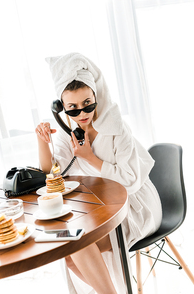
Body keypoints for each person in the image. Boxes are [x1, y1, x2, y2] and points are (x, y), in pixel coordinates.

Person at [35, 53, 162, 294]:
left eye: (88, 104)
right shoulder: (68, 130)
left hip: (135, 205)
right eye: (72, 108)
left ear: (96, 97)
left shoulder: (116, 128)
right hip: (99, 207)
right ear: (61, 108)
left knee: (77, 243)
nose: (82, 114)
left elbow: (131, 181)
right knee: (67, 250)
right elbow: (50, 173)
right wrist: (42, 141)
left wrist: (90, 158)